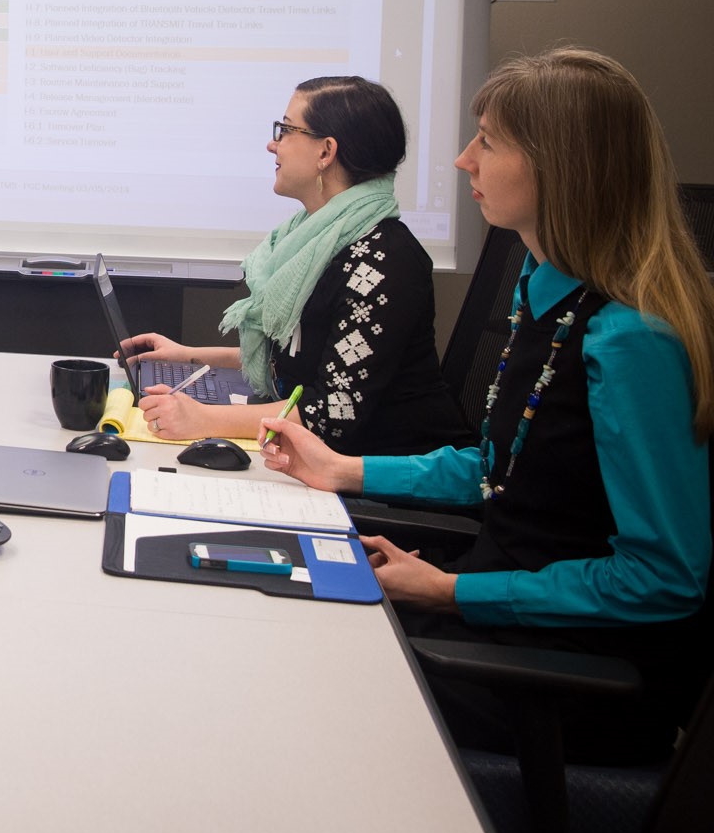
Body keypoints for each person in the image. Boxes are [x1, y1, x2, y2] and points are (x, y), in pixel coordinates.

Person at [262, 47, 714, 762]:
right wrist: (344, 472)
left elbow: (661, 579)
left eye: (489, 141)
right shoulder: (544, 288)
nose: (464, 160)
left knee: (298, 699)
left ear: (560, 167)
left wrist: (452, 590)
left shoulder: (631, 339)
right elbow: (499, 468)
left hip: (565, 679)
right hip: (495, 619)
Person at [124, 75, 469, 456]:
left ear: (326, 152)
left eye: (286, 130)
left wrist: (202, 418)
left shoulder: (384, 262)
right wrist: (188, 355)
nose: (273, 144)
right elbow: (296, 362)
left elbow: (328, 416)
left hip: (381, 481)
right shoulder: (314, 242)